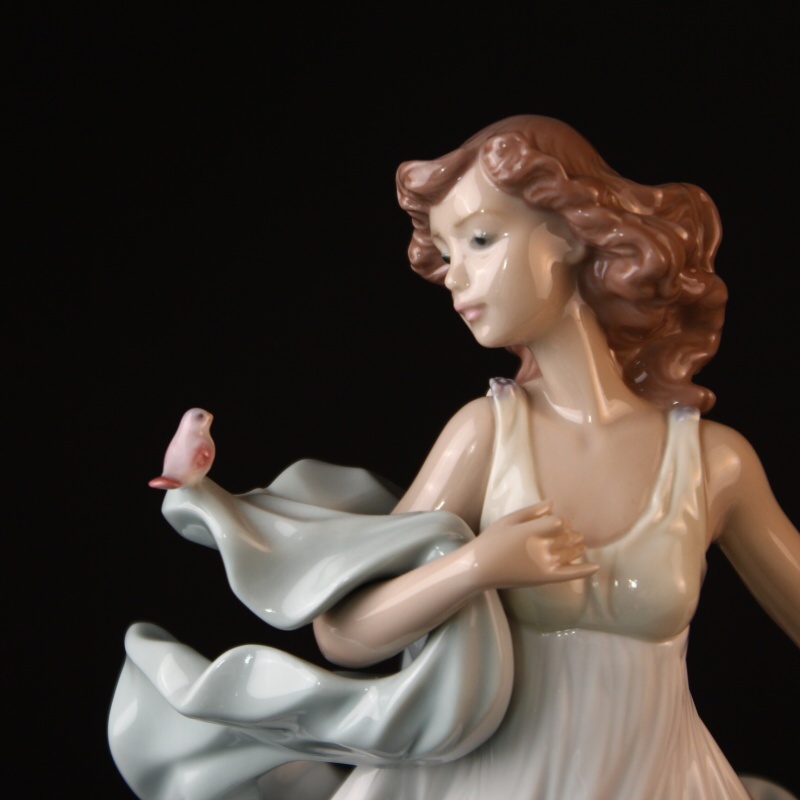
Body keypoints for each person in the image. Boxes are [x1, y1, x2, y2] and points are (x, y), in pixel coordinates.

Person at [109, 116, 799, 800]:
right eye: (447, 253)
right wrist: (478, 566)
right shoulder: (486, 435)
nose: (455, 276)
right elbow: (345, 630)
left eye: (480, 239)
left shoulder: (713, 462)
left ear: (568, 233)